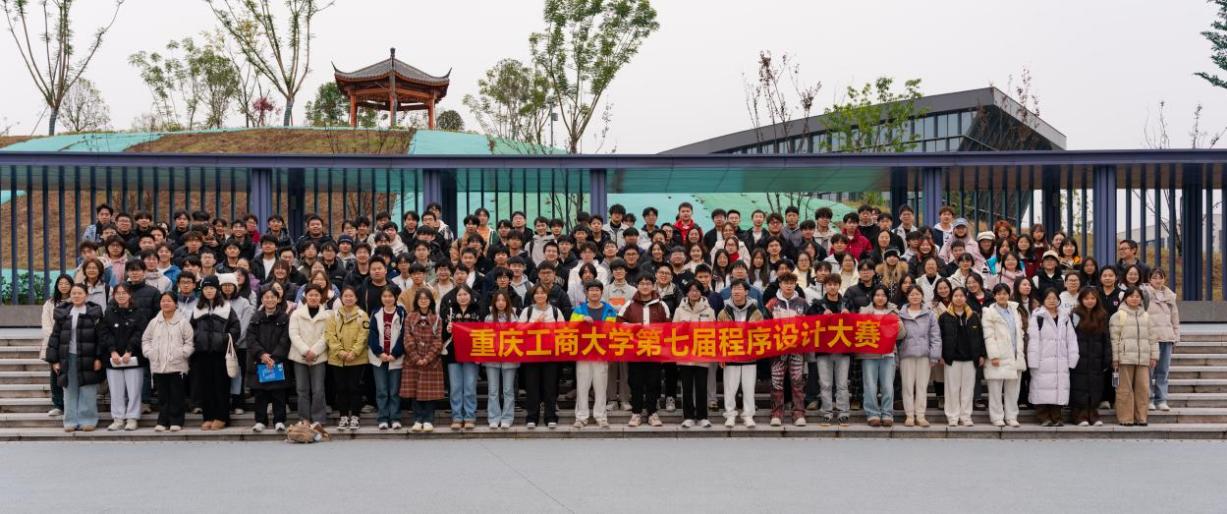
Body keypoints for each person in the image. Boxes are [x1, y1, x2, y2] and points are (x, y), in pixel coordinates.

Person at [45, 284, 105, 432]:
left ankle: (88, 420)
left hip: (88, 356)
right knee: (69, 389)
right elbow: (55, 337)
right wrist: (54, 360)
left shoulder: (94, 312)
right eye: (74, 293)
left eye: (79, 293)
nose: (76, 296)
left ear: (86, 295)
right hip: (68, 356)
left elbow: (100, 337)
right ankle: (70, 421)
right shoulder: (63, 312)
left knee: (88, 389)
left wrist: (98, 358)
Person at [619, 273, 670, 428]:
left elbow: (668, 328)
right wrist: (634, 327)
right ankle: (636, 413)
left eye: (648, 283)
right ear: (637, 286)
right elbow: (619, 324)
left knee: (653, 382)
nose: (645, 286)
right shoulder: (629, 305)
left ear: (653, 286)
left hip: (655, 351)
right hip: (635, 352)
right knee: (636, 382)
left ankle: (652, 413)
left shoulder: (662, 305)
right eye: (642, 283)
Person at [190, 275, 241, 430]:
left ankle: (222, 417)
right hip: (202, 353)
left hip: (221, 353)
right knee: (206, 386)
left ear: (217, 289)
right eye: (206, 288)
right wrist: (197, 338)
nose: (209, 291)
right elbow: (190, 328)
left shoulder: (226, 307)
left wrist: (224, 338)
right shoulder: (197, 308)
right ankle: (208, 417)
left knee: (221, 386)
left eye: (212, 288)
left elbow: (236, 328)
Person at [1027, 288, 1080, 427]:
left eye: (1054, 298)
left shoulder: (1065, 317)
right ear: (1043, 300)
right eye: (1048, 298)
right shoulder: (1038, 317)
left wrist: (1072, 358)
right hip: (1043, 360)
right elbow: (1033, 341)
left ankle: (1057, 417)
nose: (1052, 301)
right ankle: (1043, 416)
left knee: (1059, 388)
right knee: (1041, 388)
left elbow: (1071, 339)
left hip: (1060, 360)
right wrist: (1033, 361)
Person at [142, 292, 194, 432]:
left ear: (175, 303)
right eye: (163, 301)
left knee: (177, 395)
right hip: (159, 364)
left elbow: (189, 341)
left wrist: (182, 353)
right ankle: (162, 421)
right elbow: (146, 339)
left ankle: (176, 421)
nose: (165, 303)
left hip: (177, 365)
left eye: (169, 301)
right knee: (163, 395)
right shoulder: (154, 322)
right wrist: (149, 353)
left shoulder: (183, 322)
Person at [570, 281, 617, 429]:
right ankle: (581, 417)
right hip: (583, 353)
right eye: (591, 290)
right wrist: (582, 320)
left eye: (597, 290)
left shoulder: (610, 310)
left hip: (601, 353)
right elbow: (570, 328)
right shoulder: (579, 310)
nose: (594, 292)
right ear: (586, 293)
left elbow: (611, 329)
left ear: (602, 292)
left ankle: (601, 417)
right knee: (582, 386)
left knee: (601, 386)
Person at [519, 284, 566, 429]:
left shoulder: (555, 311)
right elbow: (519, 330)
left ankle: (550, 416)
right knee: (532, 387)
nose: (540, 295)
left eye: (543, 293)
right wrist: (535, 324)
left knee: (550, 387)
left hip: (551, 354)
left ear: (547, 295)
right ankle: (531, 417)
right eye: (537, 293)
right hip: (531, 354)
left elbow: (564, 331)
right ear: (533, 296)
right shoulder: (527, 311)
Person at [764, 272, 808, 427]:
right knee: (777, 382)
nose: (788, 286)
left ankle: (798, 414)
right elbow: (764, 325)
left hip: (797, 349)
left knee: (797, 382)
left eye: (791, 283)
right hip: (777, 350)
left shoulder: (803, 303)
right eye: (785, 283)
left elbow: (810, 326)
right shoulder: (772, 304)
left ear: (795, 284)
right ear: (780, 285)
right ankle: (776, 414)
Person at [245, 287, 292, 432]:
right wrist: (262, 354)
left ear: (278, 299)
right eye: (266, 297)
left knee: (279, 393)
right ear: (262, 300)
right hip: (260, 361)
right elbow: (250, 338)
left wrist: (274, 357)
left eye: (272, 297)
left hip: (278, 361)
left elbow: (285, 340)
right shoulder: (256, 317)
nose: (269, 300)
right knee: (260, 393)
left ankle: (279, 420)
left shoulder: (284, 318)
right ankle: (260, 421)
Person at [100, 284, 147, 431]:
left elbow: (140, 333)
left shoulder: (139, 312)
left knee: (134, 390)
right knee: (115, 391)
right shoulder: (109, 312)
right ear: (114, 295)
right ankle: (118, 418)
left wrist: (129, 351)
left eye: (124, 293)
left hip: (133, 357)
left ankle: (132, 418)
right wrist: (112, 351)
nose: (121, 295)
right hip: (113, 358)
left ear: (130, 295)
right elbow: (104, 333)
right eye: (118, 293)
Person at [1110, 287, 1158, 426]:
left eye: (1137, 296)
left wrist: (1154, 356)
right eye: (1131, 296)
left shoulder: (1146, 316)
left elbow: (1153, 338)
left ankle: (1141, 417)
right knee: (1124, 389)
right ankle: (1126, 418)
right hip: (1124, 358)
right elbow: (1114, 339)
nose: (1134, 299)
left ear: (1141, 299)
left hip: (1143, 359)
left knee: (1143, 389)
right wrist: (1115, 358)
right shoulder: (1118, 316)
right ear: (1125, 298)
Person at [981, 283, 1027, 428]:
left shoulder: (1015, 310)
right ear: (994, 296)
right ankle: (996, 417)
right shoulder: (989, 312)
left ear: (1009, 295)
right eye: (999, 294)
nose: (1002, 296)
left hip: (1014, 355)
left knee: (1013, 390)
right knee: (995, 389)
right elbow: (988, 336)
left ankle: (1011, 416)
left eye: (1005, 293)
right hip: (998, 356)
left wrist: (1020, 351)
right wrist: (993, 355)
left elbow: (1020, 333)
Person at [939, 287, 986, 427]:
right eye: (956, 296)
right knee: (952, 389)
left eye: (961, 296)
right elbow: (939, 338)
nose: (958, 298)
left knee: (968, 389)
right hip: (951, 358)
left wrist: (982, 354)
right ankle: (952, 416)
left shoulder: (973, 316)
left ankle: (965, 416)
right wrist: (941, 355)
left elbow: (981, 336)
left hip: (970, 358)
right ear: (951, 298)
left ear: (966, 298)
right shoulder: (944, 317)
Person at [718, 279, 762, 428]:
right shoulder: (723, 312)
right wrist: (721, 354)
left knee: (749, 388)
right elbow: (719, 335)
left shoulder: (756, 312)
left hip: (749, 355)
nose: (736, 291)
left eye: (739, 288)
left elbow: (760, 333)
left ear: (746, 292)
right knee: (730, 388)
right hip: (730, 355)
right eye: (734, 289)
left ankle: (748, 415)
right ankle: (730, 414)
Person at [808, 275, 850, 426]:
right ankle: (827, 412)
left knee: (842, 384)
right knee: (825, 383)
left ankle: (843, 412)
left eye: (835, 284)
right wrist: (821, 317)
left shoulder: (847, 304)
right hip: (824, 350)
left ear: (839, 285)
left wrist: (849, 316)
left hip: (843, 349)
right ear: (825, 286)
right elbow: (808, 324)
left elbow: (858, 324)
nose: (832, 287)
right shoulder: (817, 305)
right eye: (829, 284)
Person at [401, 289, 446, 433]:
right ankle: (417, 419)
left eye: (426, 298)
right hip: (412, 360)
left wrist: (427, 358)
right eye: (420, 298)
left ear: (431, 301)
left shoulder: (437, 318)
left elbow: (438, 341)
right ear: (416, 301)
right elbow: (407, 338)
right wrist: (416, 357)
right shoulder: (410, 317)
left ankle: (428, 420)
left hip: (431, 361)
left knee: (429, 393)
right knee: (415, 391)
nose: (423, 301)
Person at [440, 285, 483, 430]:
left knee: (470, 387)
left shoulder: (478, 311)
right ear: (455, 297)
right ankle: (457, 416)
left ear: (471, 296)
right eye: (459, 295)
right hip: (453, 353)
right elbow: (442, 334)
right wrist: (447, 330)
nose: (462, 297)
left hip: (472, 353)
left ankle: (469, 416)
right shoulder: (450, 311)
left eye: (465, 294)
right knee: (455, 388)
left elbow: (484, 332)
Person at [673, 281, 716, 428]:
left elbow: (714, 331)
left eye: (697, 290)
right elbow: (673, 331)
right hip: (685, 354)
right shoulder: (679, 310)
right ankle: (688, 416)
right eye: (691, 290)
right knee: (686, 387)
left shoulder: (709, 310)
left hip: (702, 353)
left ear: (701, 292)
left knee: (701, 387)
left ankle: (703, 416)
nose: (694, 293)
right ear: (687, 292)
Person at [326, 287, 369, 431]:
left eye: (351, 296)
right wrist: (340, 352)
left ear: (356, 298)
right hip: (337, 359)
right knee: (341, 388)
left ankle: (355, 416)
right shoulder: (334, 315)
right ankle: (343, 416)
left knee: (354, 387)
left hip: (357, 359)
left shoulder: (362, 315)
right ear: (341, 298)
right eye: (346, 296)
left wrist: (354, 352)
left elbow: (364, 336)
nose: (348, 298)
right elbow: (329, 335)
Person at [897, 286, 941, 427]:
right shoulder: (900, 314)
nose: (915, 297)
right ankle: (909, 415)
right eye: (912, 294)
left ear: (922, 296)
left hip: (924, 355)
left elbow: (935, 336)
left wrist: (934, 355)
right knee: (907, 386)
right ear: (907, 297)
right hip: (906, 354)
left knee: (922, 387)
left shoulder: (929, 314)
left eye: (917, 294)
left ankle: (921, 415)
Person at [859, 286, 903, 427]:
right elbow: (858, 332)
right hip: (869, 354)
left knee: (888, 386)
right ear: (872, 297)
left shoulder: (894, 311)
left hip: (888, 354)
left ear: (887, 297)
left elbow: (902, 335)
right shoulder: (864, 311)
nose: (880, 298)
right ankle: (872, 413)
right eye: (877, 295)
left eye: (883, 295)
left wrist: (898, 324)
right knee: (870, 385)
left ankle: (887, 413)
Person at [288, 285, 331, 428]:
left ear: (321, 297)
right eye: (310, 295)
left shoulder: (327, 316)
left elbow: (327, 336)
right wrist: (306, 351)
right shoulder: (296, 314)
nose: (313, 298)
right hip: (300, 356)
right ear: (305, 296)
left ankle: (319, 419)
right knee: (302, 390)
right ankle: (304, 418)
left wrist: (314, 352)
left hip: (319, 357)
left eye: (316, 295)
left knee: (318, 389)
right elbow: (294, 334)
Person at [1070, 287, 1112, 426]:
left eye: (1092, 298)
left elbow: (1106, 338)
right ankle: (1080, 415)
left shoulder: (1102, 315)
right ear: (1081, 300)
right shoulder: (1075, 315)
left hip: (1096, 357)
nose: (1090, 301)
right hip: (1079, 357)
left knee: (1095, 386)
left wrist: (1107, 357)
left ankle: (1093, 413)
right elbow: (1070, 337)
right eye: (1086, 298)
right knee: (1080, 386)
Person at [367, 287, 406, 430]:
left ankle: (395, 418)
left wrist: (395, 353)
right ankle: (383, 418)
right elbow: (372, 334)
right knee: (382, 391)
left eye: (390, 296)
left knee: (394, 391)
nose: (387, 299)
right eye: (385, 296)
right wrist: (379, 353)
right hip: (379, 358)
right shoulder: (376, 313)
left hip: (395, 357)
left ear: (395, 297)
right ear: (381, 298)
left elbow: (404, 335)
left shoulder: (401, 313)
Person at [1144, 268, 1179, 411]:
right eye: (1154, 277)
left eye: (1160, 277)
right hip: (1151, 339)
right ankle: (1148, 399)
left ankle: (1161, 400)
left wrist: (1175, 336)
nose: (1158, 280)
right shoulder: (1144, 294)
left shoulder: (1170, 296)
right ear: (1149, 279)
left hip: (1166, 338)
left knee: (1163, 371)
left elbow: (1175, 318)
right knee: (1148, 371)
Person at [484, 290, 520, 429]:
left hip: (509, 358)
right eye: (498, 300)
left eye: (503, 300)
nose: (500, 303)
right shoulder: (488, 318)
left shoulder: (514, 318)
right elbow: (485, 338)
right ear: (494, 303)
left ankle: (507, 418)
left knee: (508, 390)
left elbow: (518, 337)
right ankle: (493, 417)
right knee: (493, 390)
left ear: (507, 302)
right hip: (492, 358)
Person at [41, 275, 74, 417]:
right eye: (61, 283)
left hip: (72, 343)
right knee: (56, 375)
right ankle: (58, 404)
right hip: (54, 343)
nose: (64, 286)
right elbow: (46, 325)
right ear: (57, 286)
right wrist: (56, 339)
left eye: (67, 283)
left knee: (72, 374)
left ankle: (71, 404)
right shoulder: (50, 303)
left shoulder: (76, 300)